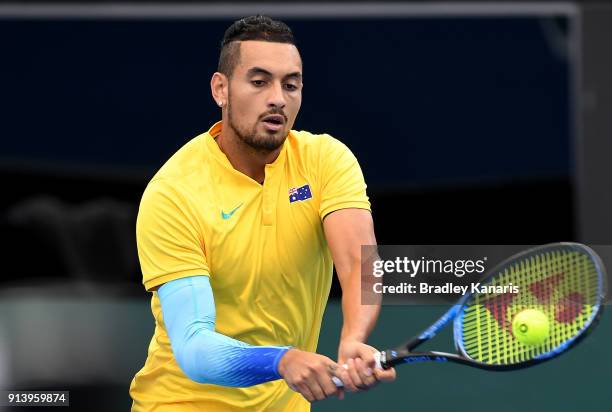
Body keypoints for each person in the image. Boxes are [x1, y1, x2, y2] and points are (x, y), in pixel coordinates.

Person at [129, 15, 395, 412]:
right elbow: (194, 346)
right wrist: (281, 360)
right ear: (221, 89)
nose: (278, 99)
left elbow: (360, 264)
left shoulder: (326, 161)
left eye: (291, 85)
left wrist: (353, 338)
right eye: (259, 82)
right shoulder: (174, 193)